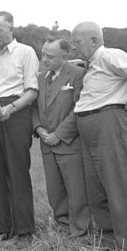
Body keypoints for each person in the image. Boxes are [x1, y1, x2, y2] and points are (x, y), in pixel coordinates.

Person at [70, 21, 127, 251]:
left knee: (118, 188)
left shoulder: (109, 56)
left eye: (77, 42)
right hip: (91, 128)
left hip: (110, 124)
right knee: (96, 188)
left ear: (94, 40)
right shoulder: (91, 64)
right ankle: (109, 242)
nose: (73, 47)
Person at [0, 11, 39, 240]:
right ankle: (2, 227)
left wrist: (10, 108)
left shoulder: (25, 52)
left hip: (16, 113)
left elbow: (32, 90)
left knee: (17, 170)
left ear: (11, 27)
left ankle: (24, 229)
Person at [32, 36, 91, 237]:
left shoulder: (78, 75)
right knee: (55, 191)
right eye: (42, 55)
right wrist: (38, 128)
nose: (44, 59)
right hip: (47, 144)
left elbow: (79, 108)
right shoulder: (40, 78)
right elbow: (34, 107)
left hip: (69, 143)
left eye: (49, 56)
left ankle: (81, 231)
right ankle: (62, 227)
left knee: (76, 190)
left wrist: (59, 134)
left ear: (64, 56)